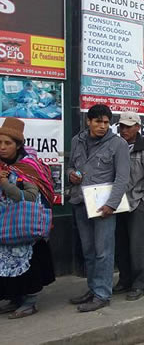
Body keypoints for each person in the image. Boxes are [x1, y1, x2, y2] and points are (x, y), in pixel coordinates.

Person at [68, 104, 129, 312]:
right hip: (80, 202)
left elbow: (122, 177)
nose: (103, 126)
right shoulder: (77, 140)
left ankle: (102, 294)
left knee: (103, 252)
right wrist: (71, 175)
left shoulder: (118, 144)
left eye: (106, 122)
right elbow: (70, 166)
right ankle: (93, 289)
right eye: (98, 122)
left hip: (104, 207)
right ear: (89, 121)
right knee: (89, 251)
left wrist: (112, 204)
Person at [0, 118, 55, 318]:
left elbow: (31, 197)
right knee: (4, 262)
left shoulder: (27, 167)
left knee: (27, 262)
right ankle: (15, 297)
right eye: (0, 143)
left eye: (8, 143)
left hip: (24, 225)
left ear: (18, 145)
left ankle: (30, 302)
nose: (3, 147)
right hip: (4, 224)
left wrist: (5, 184)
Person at [114, 112, 144, 301]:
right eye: (122, 126)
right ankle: (125, 279)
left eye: (128, 126)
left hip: (137, 203)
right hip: (117, 203)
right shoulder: (117, 146)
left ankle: (139, 283)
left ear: (138, 127)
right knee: (121, 244)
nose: (124, 130)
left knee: (138, 246)